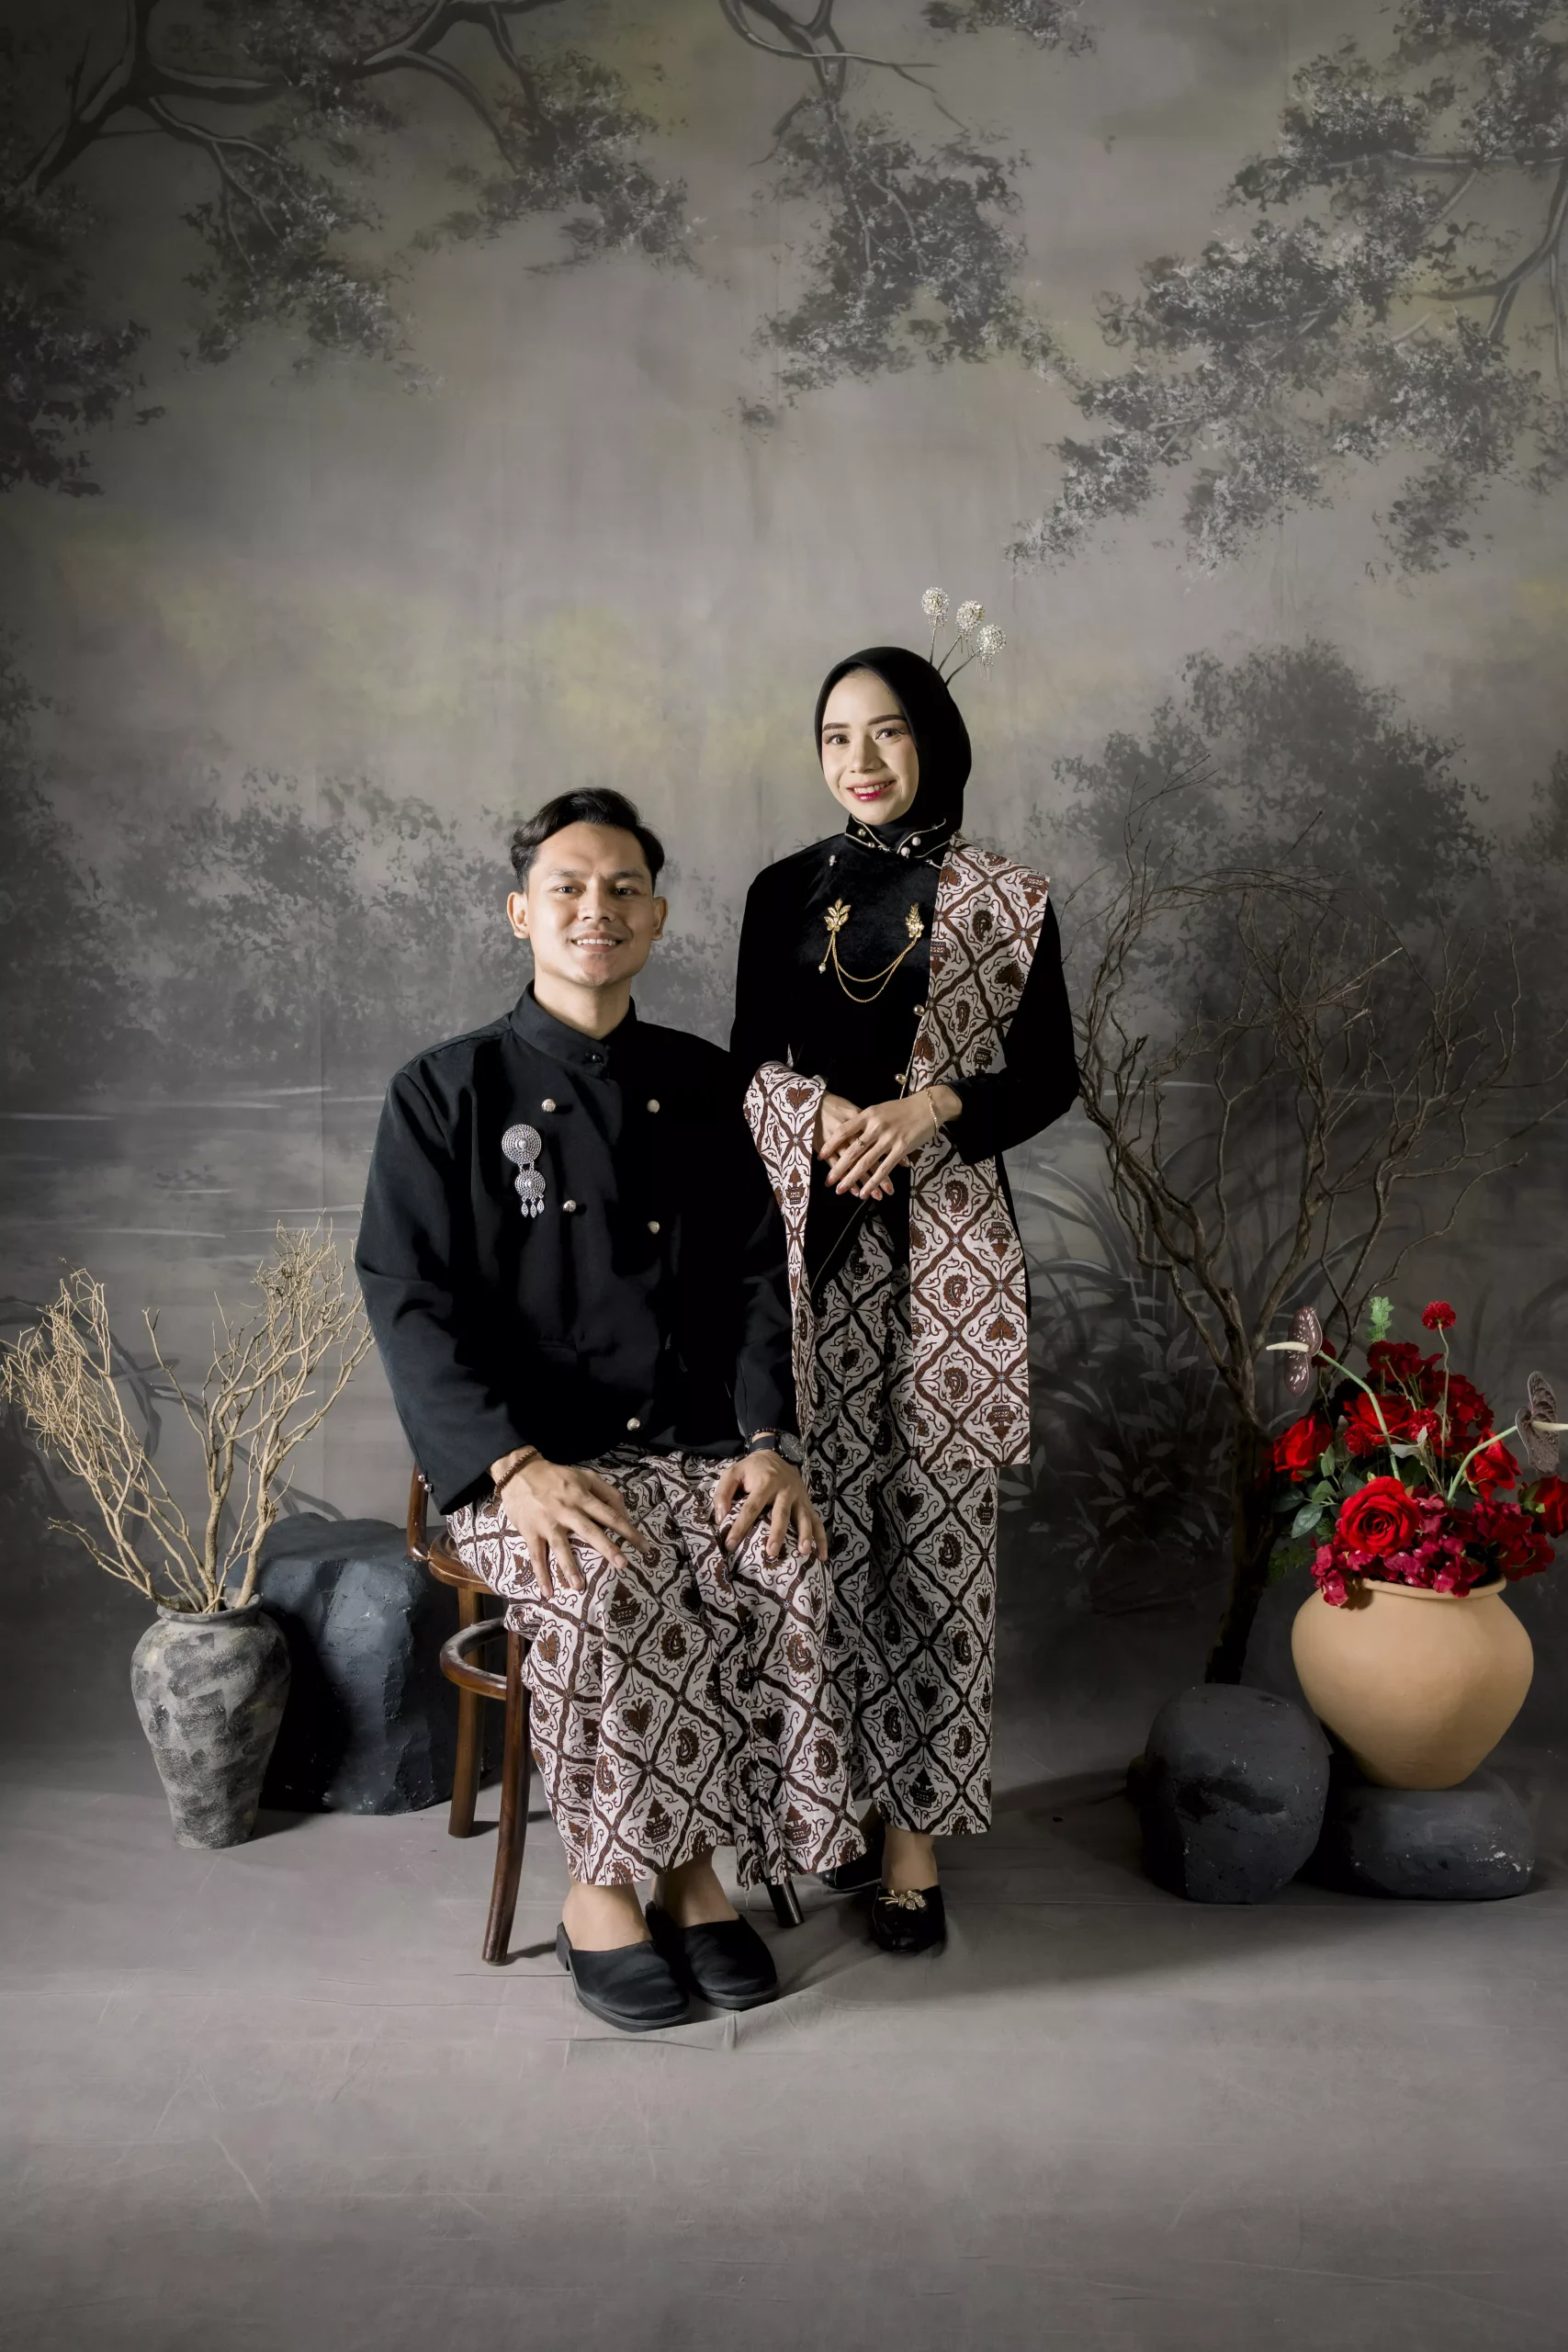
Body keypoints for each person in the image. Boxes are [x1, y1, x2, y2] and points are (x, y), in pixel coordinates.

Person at [356, 787, 862, 2033]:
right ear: (520, 912)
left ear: (658, 916)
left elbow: (759, 1280)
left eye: (624, 888)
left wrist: (767, 1442)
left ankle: (695, 1876)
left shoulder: (704, 1083)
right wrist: (511, 1465)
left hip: (690, 1441)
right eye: (569, 888)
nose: (599, 908)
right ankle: (603, 1894)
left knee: (781, 1561)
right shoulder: (446, 1090)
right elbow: (405, 1299)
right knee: (610, 1582)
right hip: (523, 1462)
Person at [731, 648, 1077, 1954]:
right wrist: (813, 1110)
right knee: (817, 1538)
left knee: (935, 1543)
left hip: (947, 1265)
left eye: (886, 733)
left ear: (933, 739)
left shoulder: (1006, 899)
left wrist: (934, 1107)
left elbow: (1048, 1076)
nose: (860, 761)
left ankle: (914, 1841)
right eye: (835, 737)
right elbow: (742, 1067)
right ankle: (823, 1808)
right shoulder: (782, 892)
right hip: (810, 1251)